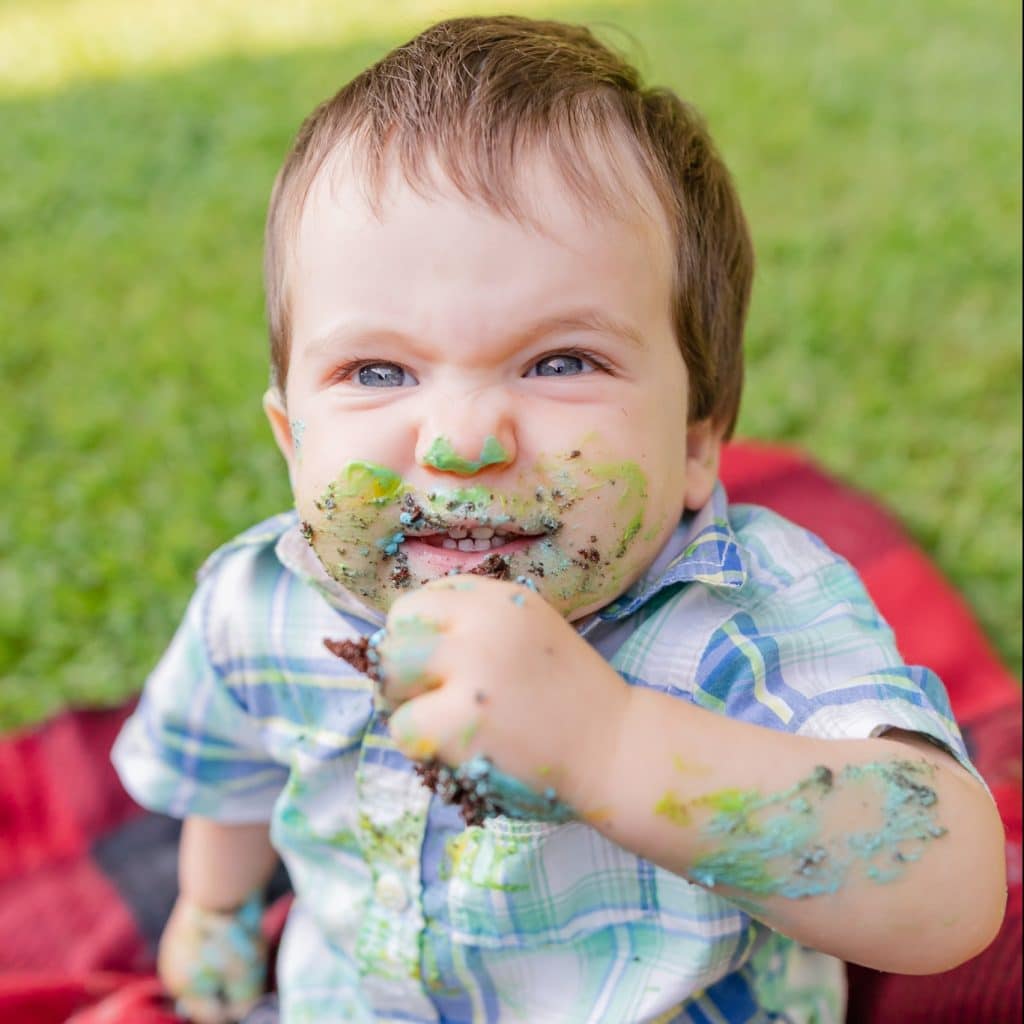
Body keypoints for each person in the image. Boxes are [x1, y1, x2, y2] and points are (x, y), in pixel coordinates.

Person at [111, 15, 1006, 1024]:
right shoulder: (260, 603)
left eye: (559, 362)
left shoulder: (741, 618)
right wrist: (217, 909)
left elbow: (952, 895)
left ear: (697, 440)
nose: (459, 440)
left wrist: (610, 743)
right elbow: (229, 773)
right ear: (291, 437)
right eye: (376, 371)